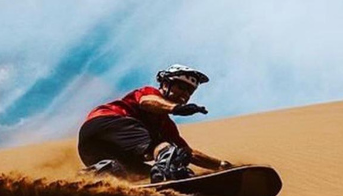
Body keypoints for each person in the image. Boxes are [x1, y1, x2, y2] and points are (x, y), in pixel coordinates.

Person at [78, 64, 233, 182]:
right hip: (108, 121)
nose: (185, 94)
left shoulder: (166, 125)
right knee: (167, 149)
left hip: (90, 147)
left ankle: (92, 176)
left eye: (189, 91)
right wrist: (176, 108)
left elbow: (189, 153)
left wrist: (221, 165)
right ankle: (166, 171)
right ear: (165, 84)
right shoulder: (150, 92)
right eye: (181, 87)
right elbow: (147, 102)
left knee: (136, 174)